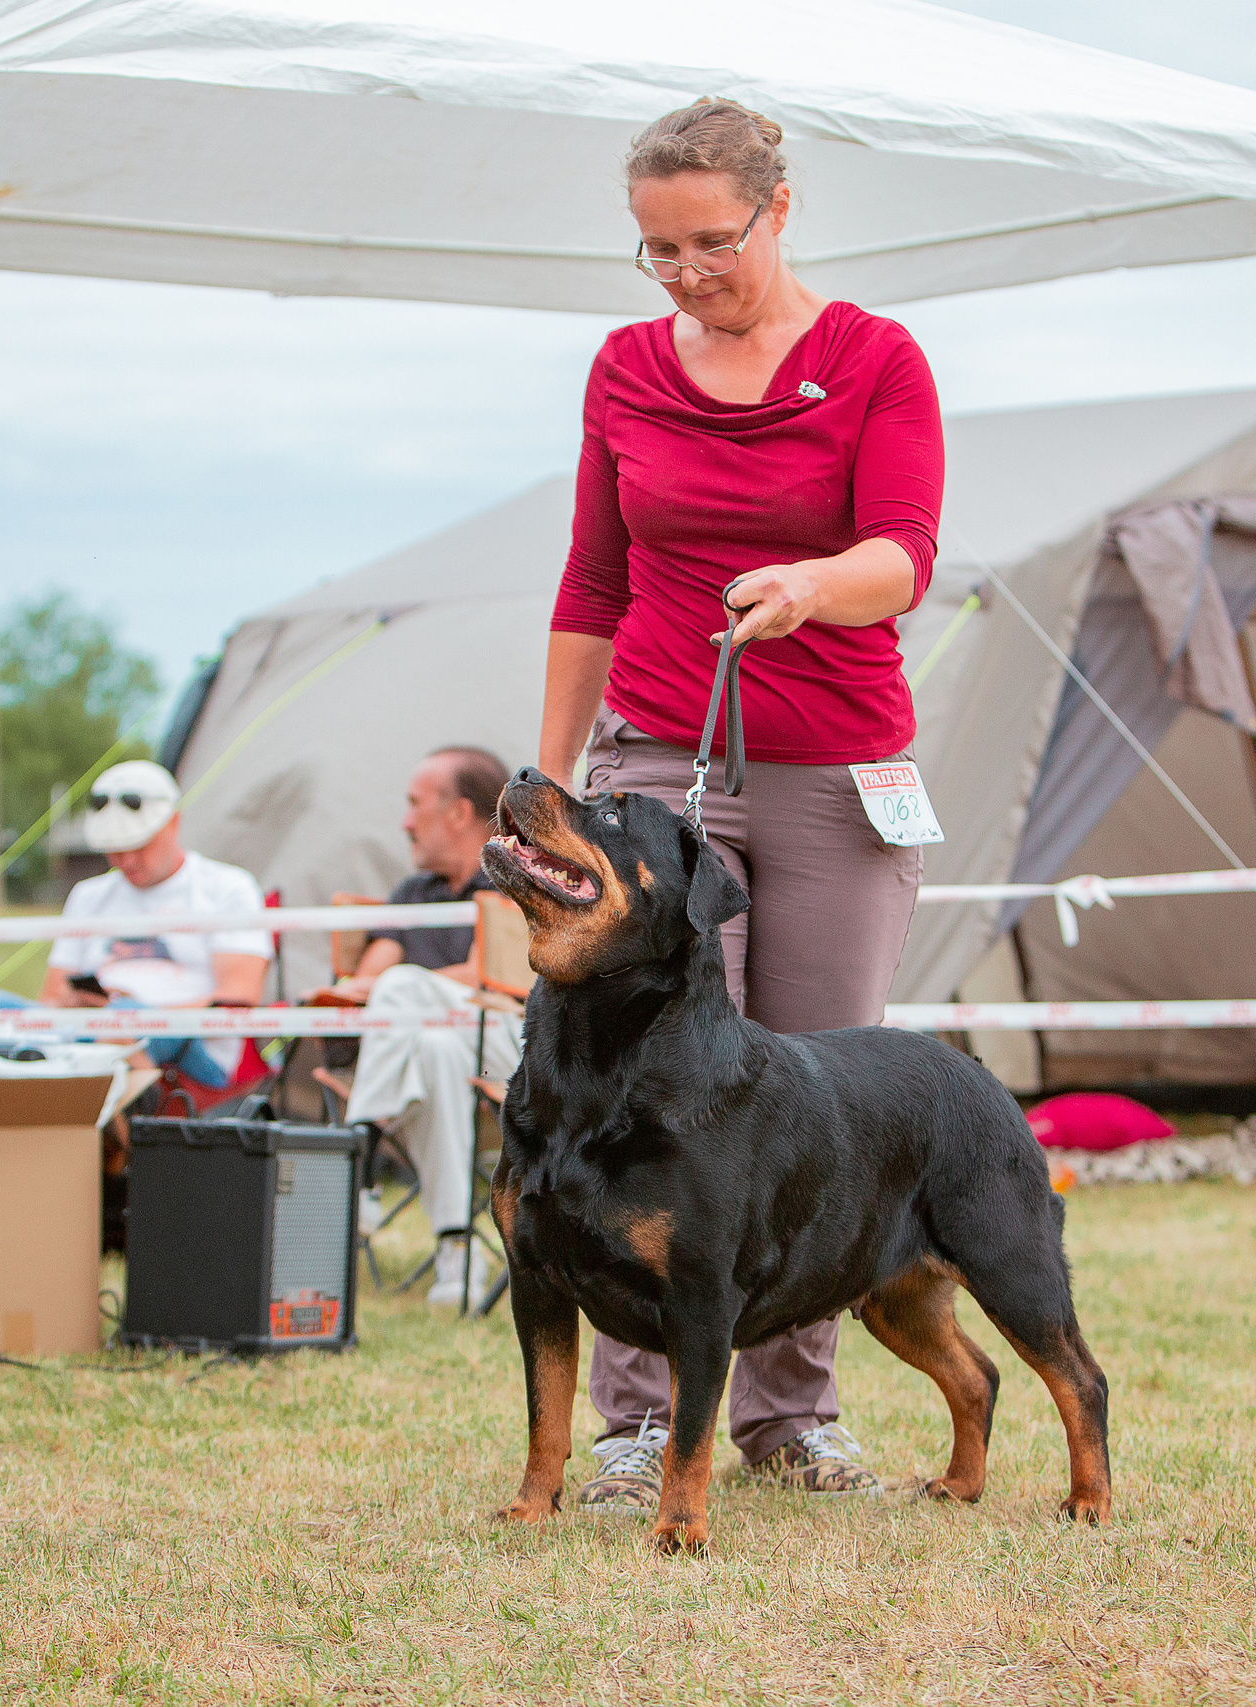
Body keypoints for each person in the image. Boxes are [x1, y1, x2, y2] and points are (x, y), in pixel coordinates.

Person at [536, 100, 944, 1509]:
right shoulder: (627, 367)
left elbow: (905, 554)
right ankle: (634, 1419)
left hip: (837, 778)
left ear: (783, 210)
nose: (688, 272)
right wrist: (558, 791)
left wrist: (812, 583)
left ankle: (791, 1410)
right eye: (658, 249)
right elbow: (592, 587)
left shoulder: (873, 359)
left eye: (713, 241)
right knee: (627, 1077)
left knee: (812, 1095)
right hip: (656, 767)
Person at [312, 746, 520, 1307]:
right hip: (444, 1054)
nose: (404, 821)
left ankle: (362, 1154)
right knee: (433, 1049)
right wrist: (389, 986)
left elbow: (488, 974)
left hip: (504, 1047)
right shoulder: (412, 894)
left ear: (459, 812)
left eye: (414, 804)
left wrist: (401, 984)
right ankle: (458, 1254)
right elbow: (369, 977)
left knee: (406, 993)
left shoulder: (513, 877)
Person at [0, 760, 271, 1084]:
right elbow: (51, 998)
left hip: (186, 1041)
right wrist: (79, 1002)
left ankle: (114, 1106)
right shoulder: (88, 895)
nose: (126, 861)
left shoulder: (226, 888)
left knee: (120, 1019)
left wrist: (137, 1011)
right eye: (113, 850)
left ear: (173, 824)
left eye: (139, 845)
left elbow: (238, 997)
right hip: (93, 1026)